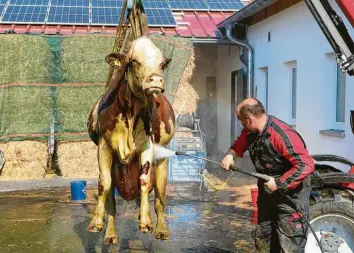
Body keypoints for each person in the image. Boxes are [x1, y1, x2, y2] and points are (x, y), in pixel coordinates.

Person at [221, 98, 314, 253]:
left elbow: (306, 164)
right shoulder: (251, 132)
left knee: (289, 246)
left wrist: (279, 183)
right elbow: (240, 143)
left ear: (249, 119)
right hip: (267, 195)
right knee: (265, 239)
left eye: (242, 121)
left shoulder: (281, 135)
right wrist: (231, 154)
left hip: (290, 199)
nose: (241, 125)